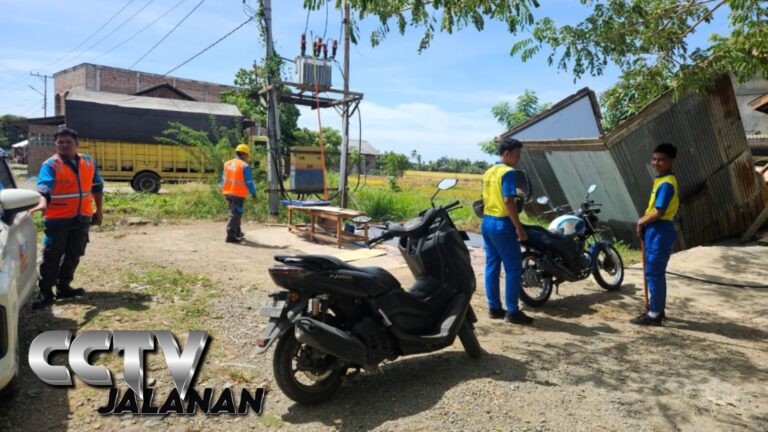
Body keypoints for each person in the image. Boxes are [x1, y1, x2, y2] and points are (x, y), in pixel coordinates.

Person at [28, 127, 104, 309]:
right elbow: (44, 187)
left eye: (68, 142)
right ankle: (46, 292)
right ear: (56, 145)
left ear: (76, 144)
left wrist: (99, 210)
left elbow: (97, 187)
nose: (64, 145)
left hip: (82, 216)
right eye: (60, 142)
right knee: (52, 255)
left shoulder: (88, 161)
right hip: (58, 219)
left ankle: (64, 287)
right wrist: (42, 203)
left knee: (75, 253)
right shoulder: (50, 165)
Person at [481, 137, 532, 325]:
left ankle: (494, 308)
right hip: (502, 224)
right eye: (518, 154)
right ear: (507, 154)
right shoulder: (508, 173)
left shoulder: (488, 172)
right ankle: (513, 311)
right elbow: (508, 201)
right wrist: (519, 228)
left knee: (492, 265)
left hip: (487, 222)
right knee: (513, 268)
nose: (519, 158)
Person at [631, 143, 679, 326]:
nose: (656, 163)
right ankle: (656, 308)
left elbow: (659, 212)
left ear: (671, 161)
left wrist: (641, 221)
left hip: (660, 229)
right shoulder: (661, 179)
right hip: (654, 229)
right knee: (654, 272)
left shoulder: (667, 183)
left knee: (653, 272)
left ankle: (654, 314)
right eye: (654, 159)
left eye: (661, 160)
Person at [221, 144, 257, 243]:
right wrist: (254, 194)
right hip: (238, 193)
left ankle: (237, 232)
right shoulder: (244, 166)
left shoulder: (227, 163)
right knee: (235, 214)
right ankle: (231, 236)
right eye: (247, 155)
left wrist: (222, 189)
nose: (248, 157)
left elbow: (223, 178)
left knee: (234, 213)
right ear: (243, 154)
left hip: (228, 192)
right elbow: (249, 182)